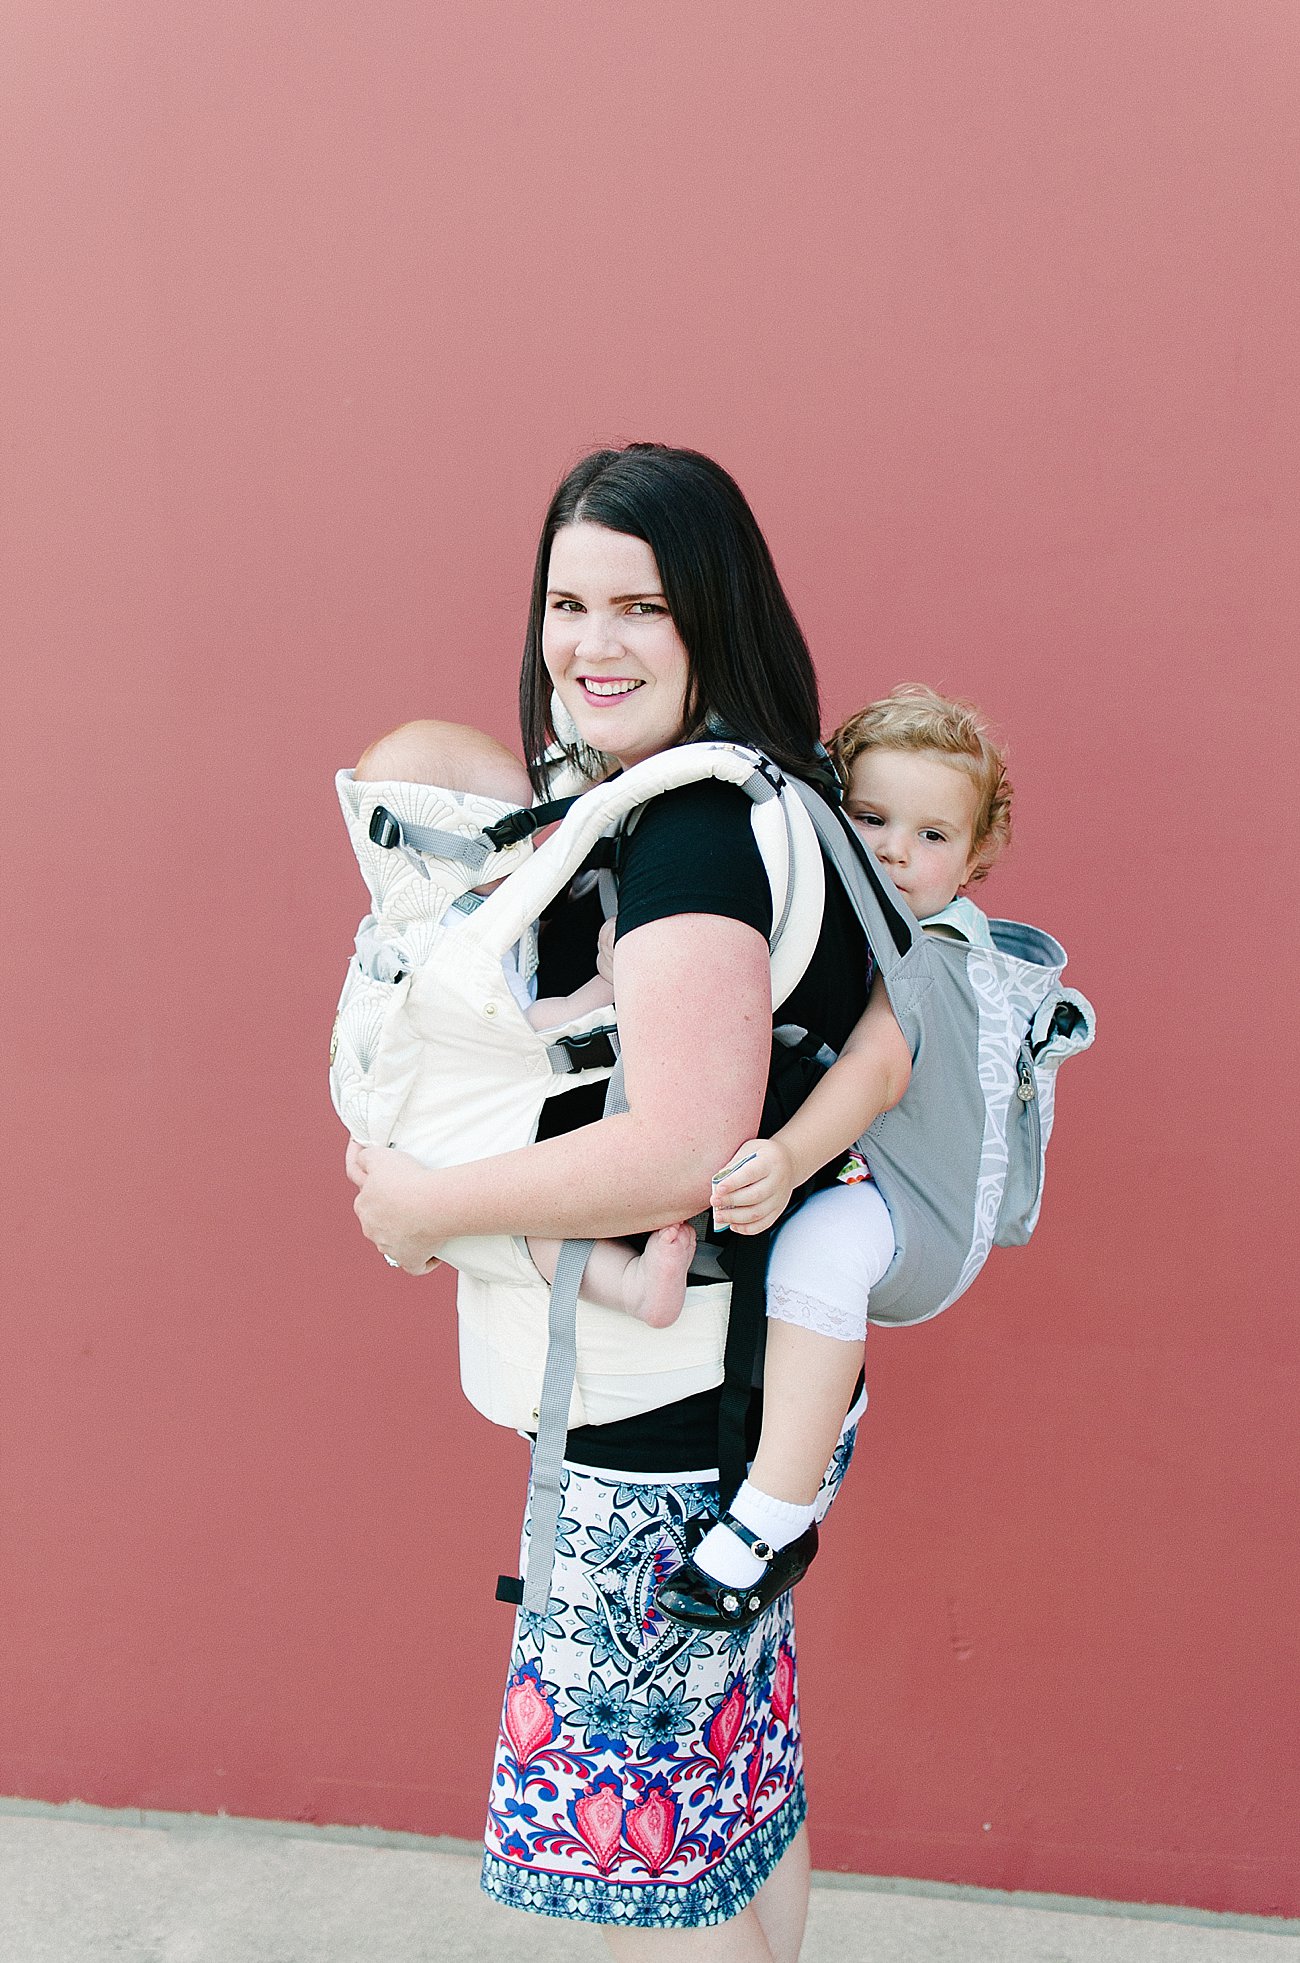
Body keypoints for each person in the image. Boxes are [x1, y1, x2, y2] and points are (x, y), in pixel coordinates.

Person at [347, 442, 909, 1957]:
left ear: (713, 613)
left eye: (641, 607)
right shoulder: (777, 789)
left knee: (644, 1878)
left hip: (654, 1433)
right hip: (741, 1402)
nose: (590, 644)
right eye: (567, 603)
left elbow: (679, 1144)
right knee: (734, 1787)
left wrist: (427, 1202)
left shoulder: (690, 837)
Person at [659, 685, 1013, 1620]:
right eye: (871, 817)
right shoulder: (854, 919)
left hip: (920, 1212)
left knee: (816, 1248)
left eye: (933, 835)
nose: (895, 849)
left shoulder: (935, 946)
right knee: (799, 1259)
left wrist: (784, 1156)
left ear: (976, 858)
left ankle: (771, 1522)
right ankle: (824, 1412)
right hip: (880, 1186)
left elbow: (877, 1069)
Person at [351, 714, 700, 1325]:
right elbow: (525, 1026)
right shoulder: (464, 942)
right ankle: (631, 1287)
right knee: (532, 1215)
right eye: (512, 832)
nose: (530, 848)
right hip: (452, 1141)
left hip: (403, 1132)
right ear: (452, 843)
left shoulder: (407, 923)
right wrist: (606, 985)